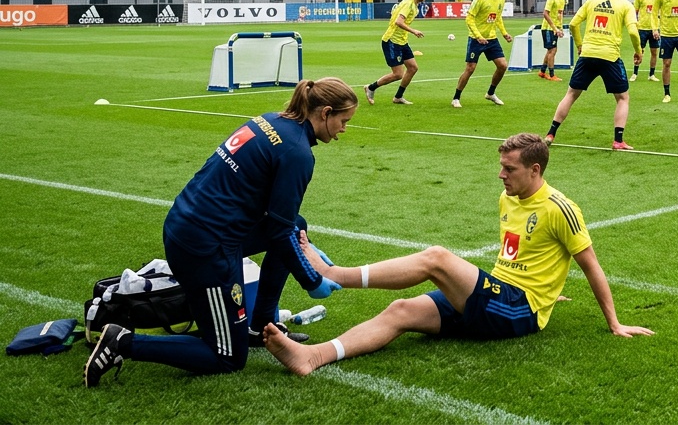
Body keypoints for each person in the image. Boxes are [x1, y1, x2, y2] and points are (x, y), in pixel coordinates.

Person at [262, 133, 652, 375]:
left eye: (509, 169)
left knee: (437, 259)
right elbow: (523, 255)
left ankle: (338, 275)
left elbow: (591, 265)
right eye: (500, 166)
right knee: (401, 310)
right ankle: (311, 357)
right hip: (499, 291)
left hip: (520, 309)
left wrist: (614, 323)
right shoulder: (508, 195)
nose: (501, 175)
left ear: (535, 170)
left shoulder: (560, 208)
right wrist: (550, 287)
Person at [84, 78, 357, 387]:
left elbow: (282, 222)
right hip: (205, 248)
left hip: (188, 224)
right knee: (227, 357)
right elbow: (279, 232)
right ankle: (122, 342)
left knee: (298, 226)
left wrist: (303, 246)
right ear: (325, 113)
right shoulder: (298, 154)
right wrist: (313, 280)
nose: (344, 129)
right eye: (343, 121)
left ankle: (260, 325)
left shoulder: (270, 121)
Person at [545, 0, 642, 150]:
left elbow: (573, 24)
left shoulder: (592, 1)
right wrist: (638, 51)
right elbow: (634, 33)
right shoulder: (625, 5)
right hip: (609, 56)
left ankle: (551, 133)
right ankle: (618, 141)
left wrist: (580, 45)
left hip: (587, 54)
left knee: (571, 94)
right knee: (622, 98)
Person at [454, 0, 514, 108]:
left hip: (491, 39)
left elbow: (497, 18)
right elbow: (469, 19)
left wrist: (504, 33)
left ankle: (491, 93)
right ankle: (456, 97)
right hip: (476, 39)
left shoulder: (501, 0)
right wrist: (478, 36)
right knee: (470, 69)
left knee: (503, 66)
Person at [366, 0, 426, 105]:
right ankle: (370, 88)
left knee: (413, 68)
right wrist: (413, 31)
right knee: (398, 74)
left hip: (402, 41)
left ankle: (398, 97)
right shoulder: (408, 4)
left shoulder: (414, 4)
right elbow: (399, 21)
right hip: (392, 41)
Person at [630, 0, 660, 82]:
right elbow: (635, 11)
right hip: (642, 28)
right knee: (639, 51)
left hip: (654, 29)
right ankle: (635, 73)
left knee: (654, 52)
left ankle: (651, 74)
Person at [537, 0, 568, 81]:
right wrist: (554, 28)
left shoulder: (563, 0)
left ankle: (542, 72)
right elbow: (545, 14)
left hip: (555, 29)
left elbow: (560, 15)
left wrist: (561, 28)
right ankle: (551, 75)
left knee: (550, 50)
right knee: (553, 50)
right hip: (548, 28)